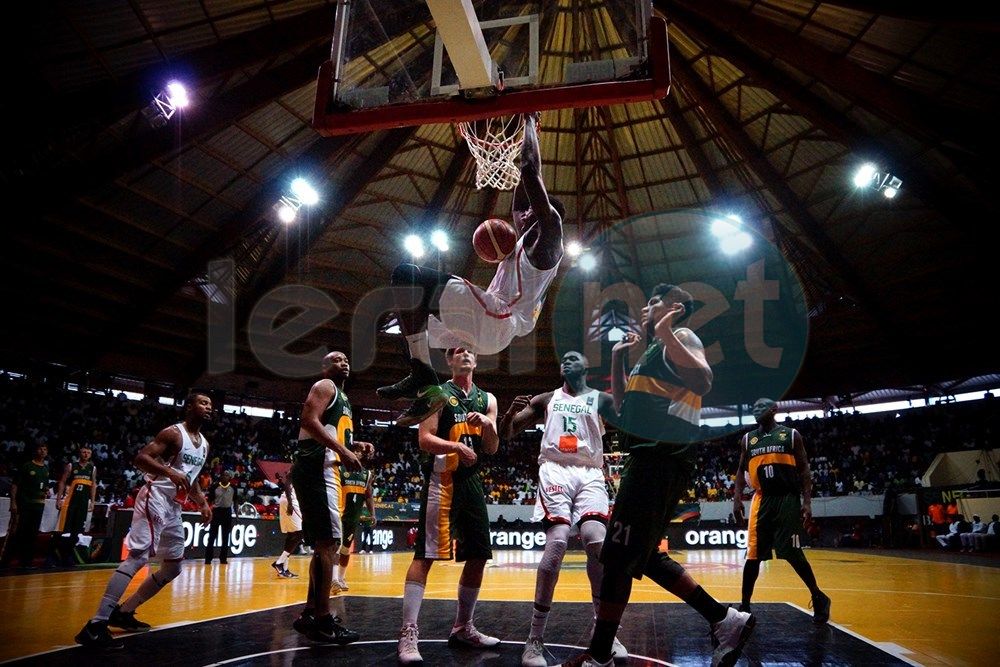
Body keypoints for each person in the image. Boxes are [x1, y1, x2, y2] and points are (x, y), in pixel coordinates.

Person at [562, 284, 753, 667]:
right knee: (643, 555)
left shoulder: (681, 335)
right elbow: (621, 407)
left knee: (615, 557)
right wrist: (618, 360)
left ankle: (598, 656)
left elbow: (703, 381)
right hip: (648, 456)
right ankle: (724, 619)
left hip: (661, 456)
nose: (646, 308)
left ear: (676, 308)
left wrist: (666, 330)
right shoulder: (650, 354)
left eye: (653, 301)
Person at [377, 112, 565, 426]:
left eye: (535, 207)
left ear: (549, 213)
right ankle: (424, 381)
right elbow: (521, 198)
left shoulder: (549, 240)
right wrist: (522, 133)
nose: (523, 213)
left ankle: (423, 376)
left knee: (408, 275)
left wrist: (531, 122)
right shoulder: (526, 237)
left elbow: (530, 171)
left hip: (498, 318)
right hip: (487, 329)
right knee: (404, 316)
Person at [499, 350, 628, 666]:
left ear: (585, 367)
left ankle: (605, 632)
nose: (568, 362)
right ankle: (534, 639)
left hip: (590, 471)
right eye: (565, 360)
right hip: (556, 469)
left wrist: (618, 356)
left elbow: (623, 405)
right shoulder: (546, 399)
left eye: (576, 359)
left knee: (598, 543)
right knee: (556, 544)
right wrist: (506, 415)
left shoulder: (597, 398)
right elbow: (506, 434)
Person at [75, 392, 214, 649]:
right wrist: (168, 471)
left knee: (173, 567)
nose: (208, 407)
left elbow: (190, 479)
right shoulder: (173, 433)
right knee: (138, 556)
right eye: (202, 403)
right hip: (155, 496)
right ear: (189, 407)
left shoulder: (204, 444)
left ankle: (124, 612)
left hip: (174, 506)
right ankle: (96, 624)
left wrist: (203, 503)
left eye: (210, 405)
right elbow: (140, 459)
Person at [397, 348, 501, 664]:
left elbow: (492, 448)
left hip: (471, 481)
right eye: (457, 351)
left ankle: (462, 627)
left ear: (476, 360)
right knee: (426, 555)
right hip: (442, 479)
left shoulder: (489, 400)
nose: (465, 354)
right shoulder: (437, 393)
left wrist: (488, 425)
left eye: (469, 350)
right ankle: (408, 632)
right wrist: (455, 445)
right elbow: (425, 439)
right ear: (449, 361)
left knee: (479, 554)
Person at [289, 351, 373, 645]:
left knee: (323, 545)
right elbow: (308, 421)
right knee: (329, 544)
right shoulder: (325, 386)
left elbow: (329, 428)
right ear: (325, 367)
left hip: (322, 468)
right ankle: (324, 620)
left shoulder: (343, 398)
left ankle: (311, 613)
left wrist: (353, 444)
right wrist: (344, 451)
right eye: (337, 359)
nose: (345, 362)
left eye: (347, 359)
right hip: (317, 467)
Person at [732, 398, 831, 623]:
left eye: (761, 407)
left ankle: (818, 596)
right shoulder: (748, 439)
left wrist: (807, 502)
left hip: (787, 498)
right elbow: (740, 471)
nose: (756, 410)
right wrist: (737, 498)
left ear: (774, 410)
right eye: (754, 407)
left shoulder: (791, 435)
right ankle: (745, 606)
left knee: (793, 552)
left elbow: (805, 469)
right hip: (762, 499)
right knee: (753, 555)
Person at [0, 441, 50, 570]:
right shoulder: (27, 466)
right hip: (24, 504)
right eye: (40, 449)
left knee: (32, 534)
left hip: (38, 506)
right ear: (36, 451)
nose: (42, 451)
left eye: (45, 449)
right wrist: (13, 502)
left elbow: (44, 486)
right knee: (18, 532)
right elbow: (15, 485)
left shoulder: (45, 469)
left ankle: (26, 562)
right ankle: (5, 561)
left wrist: (46, 491)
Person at [333, 464, 376, 591]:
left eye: (359, 451)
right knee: (336, 547)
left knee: (345, 550)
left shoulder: (366, 474)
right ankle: (334, 580)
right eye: (354, 450)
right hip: (339, 514)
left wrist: (372, 514)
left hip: (353, 517)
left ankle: (341, 578)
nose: (357, 452)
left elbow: (368, 495)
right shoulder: (340, 469)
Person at [54, 445, 97, 564]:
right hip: (70, 503)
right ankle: (59, 556)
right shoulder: (71, 466)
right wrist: (58, 499)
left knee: (77, 531)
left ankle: (69, 555)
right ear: (80, 453)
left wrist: (92, 502)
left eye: (88, 452)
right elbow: (62, 482)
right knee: (65, 530)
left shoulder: (92, 468)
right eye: (84, 452)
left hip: (83, 504)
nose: (86, 454)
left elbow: (93, 485)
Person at [272, 471, 302, 578]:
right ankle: (279, 563)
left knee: (291, 534)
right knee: (300, 533)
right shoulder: (299, 467)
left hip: (290, 500)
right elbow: (288, 482)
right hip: (290, 500)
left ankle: (284, 569)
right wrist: (290, 502)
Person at [204, 470, 237, 564]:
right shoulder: (215, 486)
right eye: (224, 475)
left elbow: (236, 501)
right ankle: (208, 558)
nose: (225, 477)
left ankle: (223, 558)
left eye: (227, 475)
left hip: (227, 512)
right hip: (216, 512)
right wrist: (208, 512)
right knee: (212, 536)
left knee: (226, 537)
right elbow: (209, 500)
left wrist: (237, 515)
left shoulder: (233, 487)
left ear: (229, 478)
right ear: (221, 476)